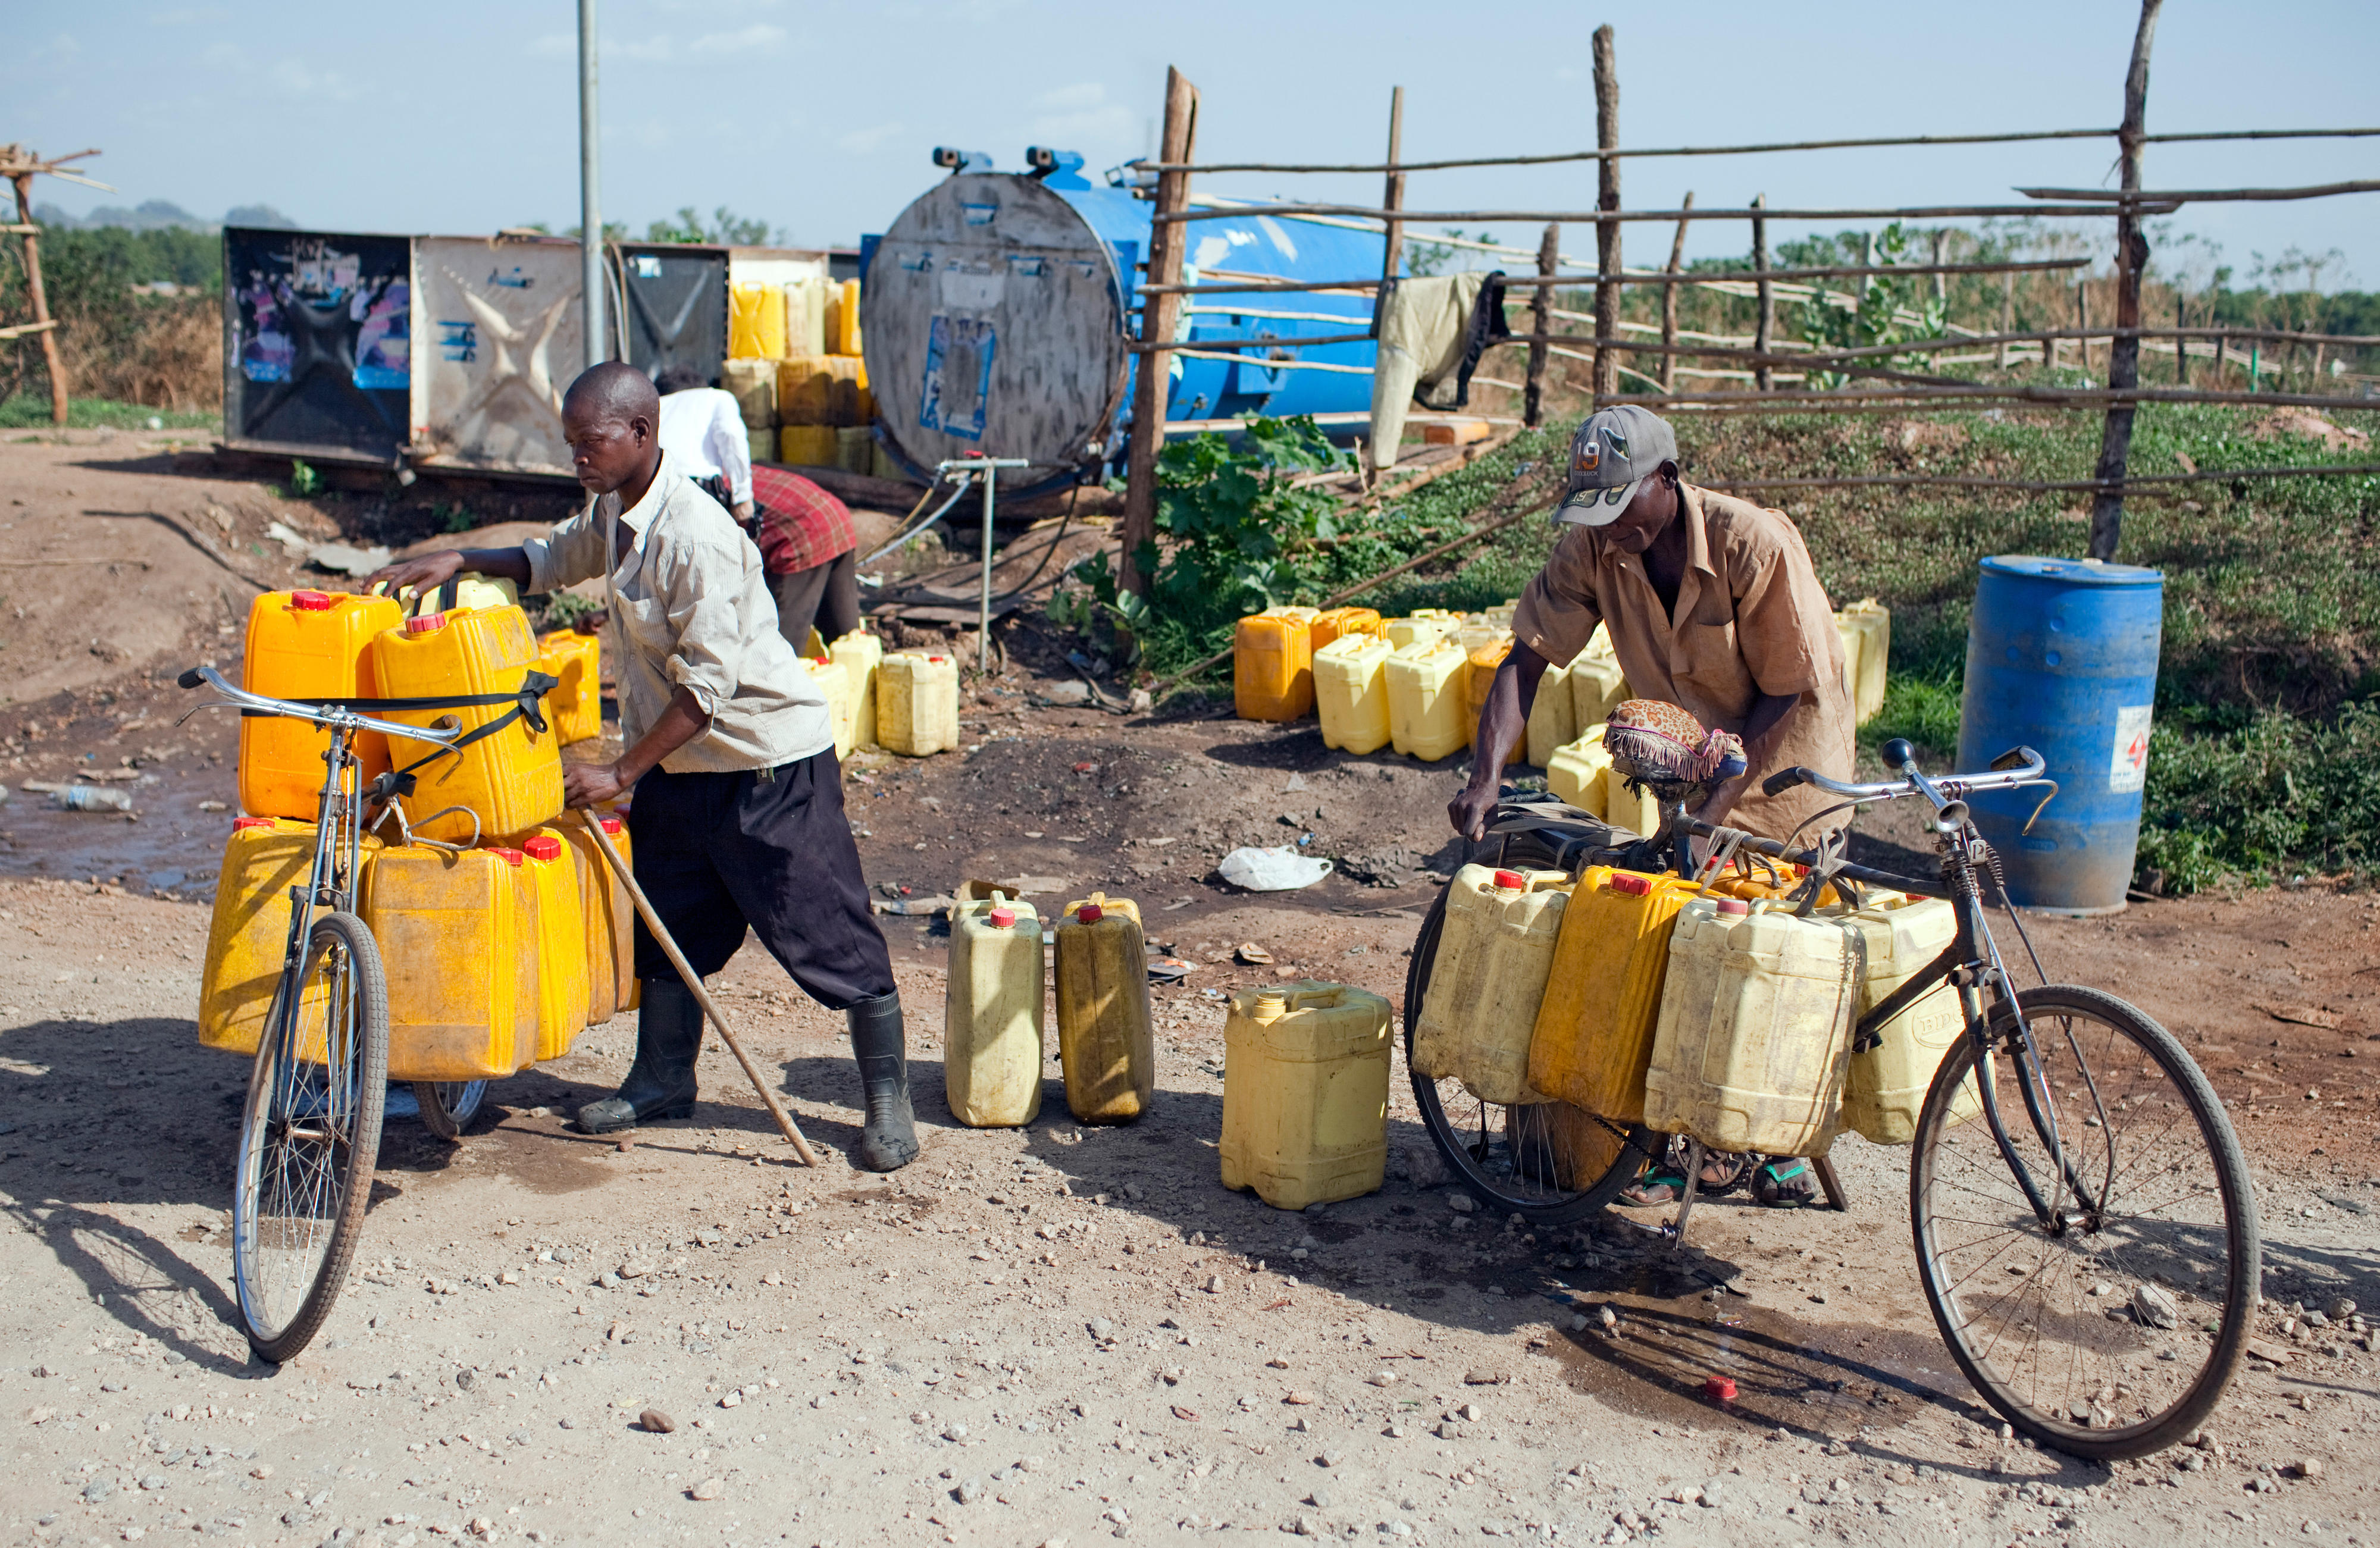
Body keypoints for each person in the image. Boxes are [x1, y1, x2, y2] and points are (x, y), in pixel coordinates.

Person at [364, 362, 917, 1171]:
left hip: (764, 764)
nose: (578, 458)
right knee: (666, 929)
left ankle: (886, 1099)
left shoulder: (696, 536)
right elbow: (554, 556)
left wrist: (618, 773)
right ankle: (662, 1076)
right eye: (572, 443)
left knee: (823, 929)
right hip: (679, 766)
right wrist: (464, 558)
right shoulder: (614, 510)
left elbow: (709, 690)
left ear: (641, 434)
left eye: (591, 442)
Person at [1448, 404, 1854, 1207]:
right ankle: (1678, 1144)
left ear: (1667, 482)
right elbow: (1526, 661)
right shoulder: (1598, 548)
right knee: (1671, 941)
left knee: (1763, 962)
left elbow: (1786, 689)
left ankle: (1773, 1144)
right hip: (1695, 773)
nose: (1610, 529)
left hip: (1786, 768)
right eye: (1594, 512)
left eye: (1621, 506)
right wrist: (1485, 775)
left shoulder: (1750, 545)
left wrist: (1720, 796)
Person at [747, 460, 862, 656]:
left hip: (803, 533)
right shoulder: (729, 466)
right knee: (848, 644)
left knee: (779, 654)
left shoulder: (704, 496)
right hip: (835, 515)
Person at [653, 364, 754, 521]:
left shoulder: (656, 405)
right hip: (698, 492)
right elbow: (731, 436)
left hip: (651, 494)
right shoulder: (718, 398)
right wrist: (742, 496)